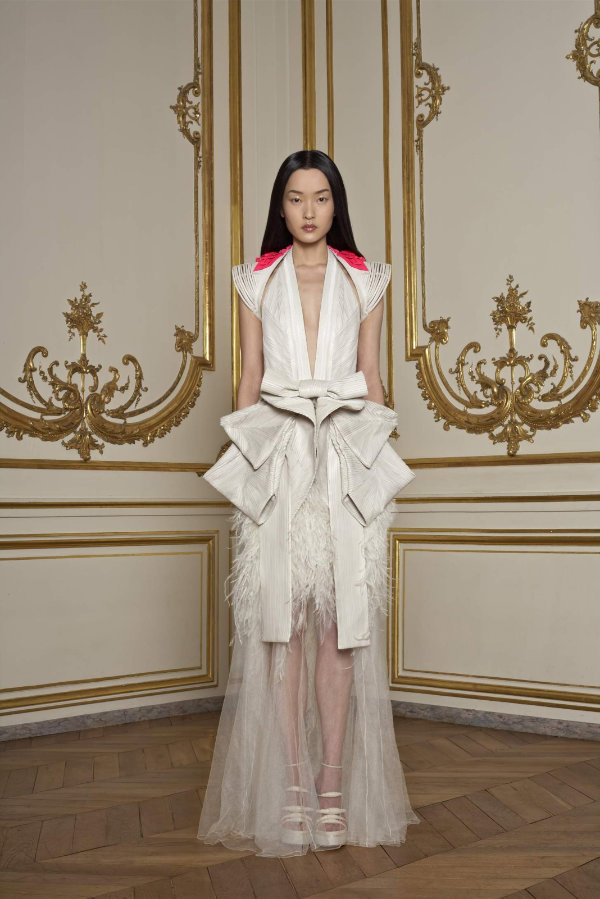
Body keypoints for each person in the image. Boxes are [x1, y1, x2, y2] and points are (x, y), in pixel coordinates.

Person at [197, 149, 419, 857]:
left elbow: (373, 379)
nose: (309, 211)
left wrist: (372, 478)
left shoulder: (368, 278)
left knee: (339, 627)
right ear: (281, 205)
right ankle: (291, 783)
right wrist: (249, 478)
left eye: (321, 197)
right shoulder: (255, 279)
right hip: (281, 458)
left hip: (347, 457)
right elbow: (250, 380)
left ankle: (331, 786)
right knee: (283, 626)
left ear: (335, 203)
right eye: (296, 198)